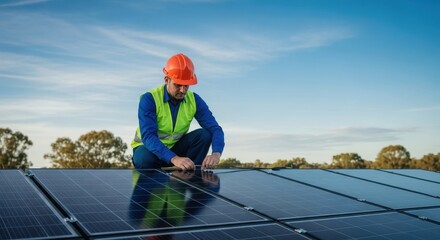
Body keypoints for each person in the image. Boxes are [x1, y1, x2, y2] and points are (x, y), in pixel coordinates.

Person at [131, 53, 224, 170]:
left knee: (204, 135)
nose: (182, 90)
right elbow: (148, 136)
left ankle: (191, 177)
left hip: (175, 149)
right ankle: (157, 182)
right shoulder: (149, 99)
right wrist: (174, 158)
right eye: (178, 85)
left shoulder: (194, 100)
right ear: (167, 80)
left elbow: (215, 129)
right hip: (148, 149)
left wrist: (216, 153)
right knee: (144, 158)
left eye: (186, 86)